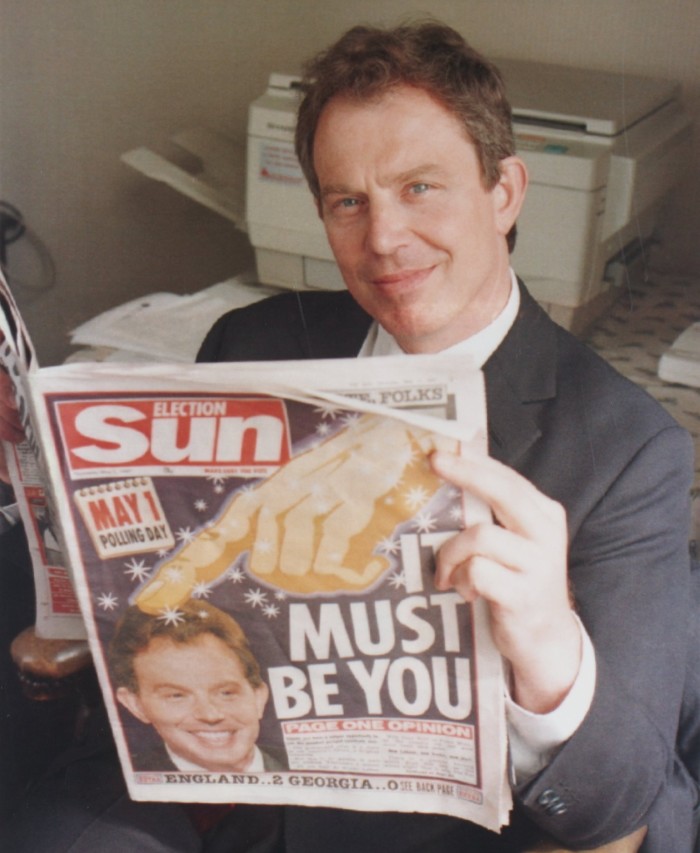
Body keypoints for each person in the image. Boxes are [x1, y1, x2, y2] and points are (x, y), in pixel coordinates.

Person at [0, 19, 696, 853]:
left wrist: (549, 652)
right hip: (221, 785)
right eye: (348, 201)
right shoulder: (248, 345)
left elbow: (614, 803)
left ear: (504, 191)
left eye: (421, 187)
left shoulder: (626, 444)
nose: (384, 239)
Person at [109, 601, 286, 774]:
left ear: (258, 697)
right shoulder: (113, 785)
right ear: (136, 705)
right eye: (177, 696)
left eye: (226, 693)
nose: (210, 715)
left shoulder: (300, 766)